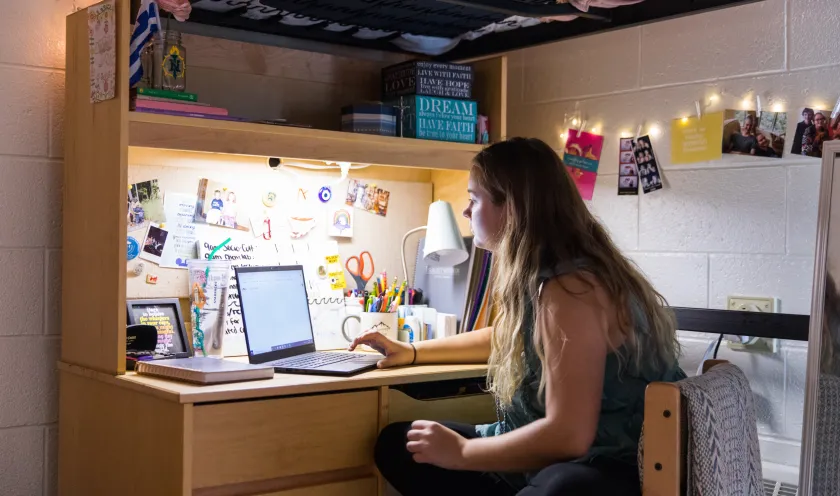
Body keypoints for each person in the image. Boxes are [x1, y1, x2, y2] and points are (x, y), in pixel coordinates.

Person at [349, 137, 686, 496]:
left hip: (609, 463)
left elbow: (570, 436)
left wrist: (462, 452)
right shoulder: (551, 274)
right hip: (565, 455)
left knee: (558, 489)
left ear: (511, 208)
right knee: (402, 444)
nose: (466, 212)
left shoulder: (572, 290)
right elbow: (506, 336)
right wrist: (413, 351)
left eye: (474, 199)